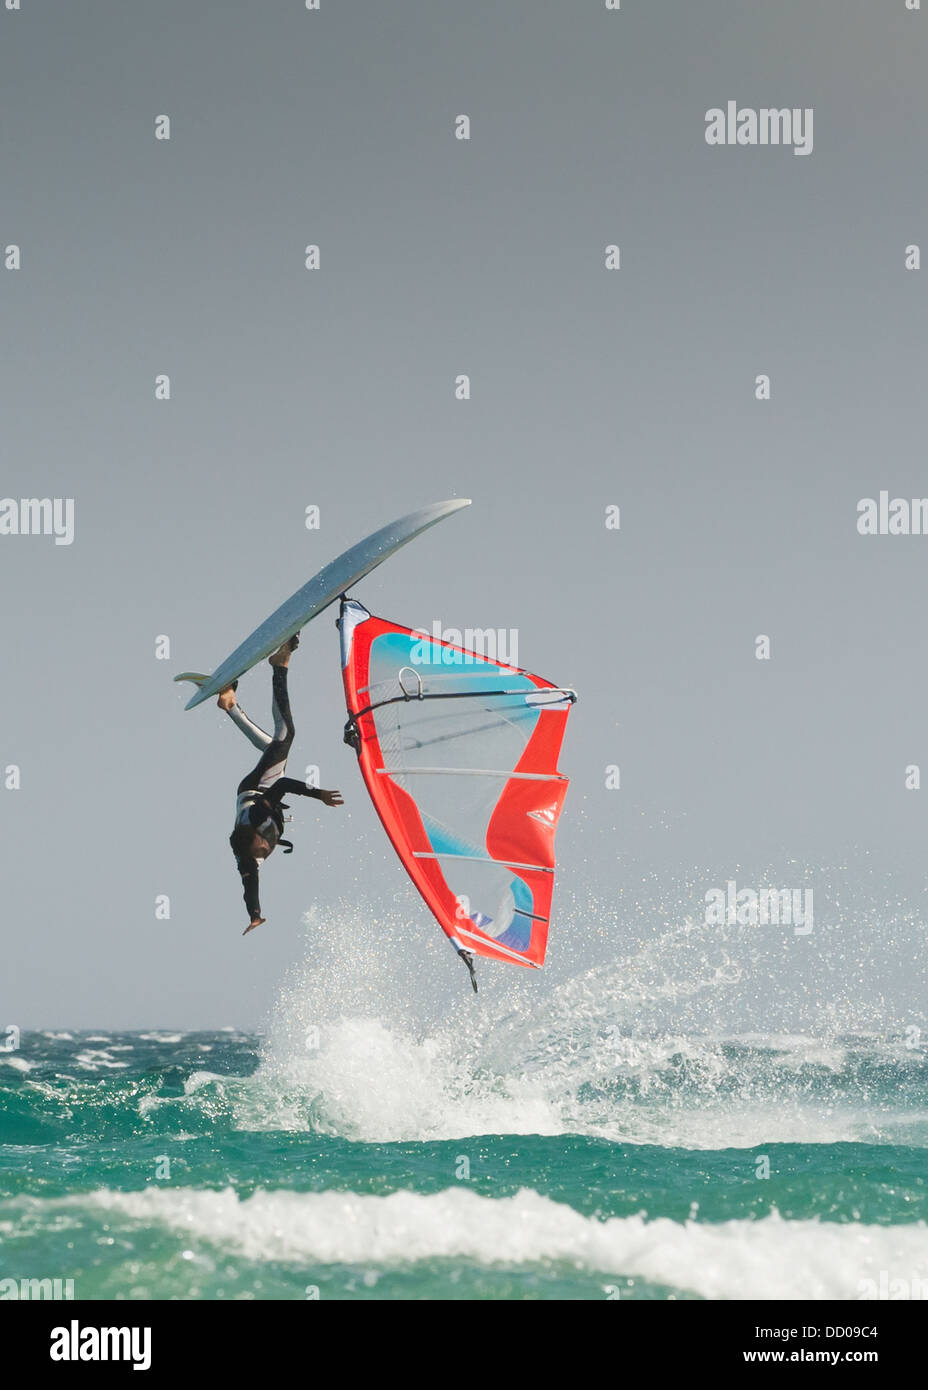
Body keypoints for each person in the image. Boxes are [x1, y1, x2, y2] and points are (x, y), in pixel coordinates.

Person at [219, 635, 343, 935]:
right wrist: (255, 915)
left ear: (257, 839)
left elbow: (283, 784)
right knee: (272, 745)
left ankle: (279, 665)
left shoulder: (259, 821)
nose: (267, 846)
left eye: (263, 843)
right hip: (249, 793)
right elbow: (250, 891)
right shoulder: (249, 863)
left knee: (285, 735)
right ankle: (229, 704)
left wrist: (319, 794)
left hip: (259, 787)